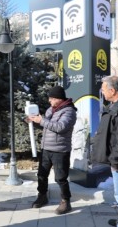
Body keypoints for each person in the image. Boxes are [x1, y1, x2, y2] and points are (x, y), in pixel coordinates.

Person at [91, 76, 118, 227]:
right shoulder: (117, 105)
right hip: (117, 160)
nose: (102, 93)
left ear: (112, 90)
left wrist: (115, 161)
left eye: (103, 90)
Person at [27, 85, 77, 215]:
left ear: (59, 99)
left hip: (60, 150)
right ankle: (42, 196)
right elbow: (47, 126)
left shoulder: (69, 111)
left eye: (52, 98)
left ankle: (66, 202)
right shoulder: (51, 109)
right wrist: (33, 121)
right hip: (46, 148)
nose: (49, 101)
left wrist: (41, 120)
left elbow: (60, 127)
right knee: (42, 175)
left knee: (61, 178)